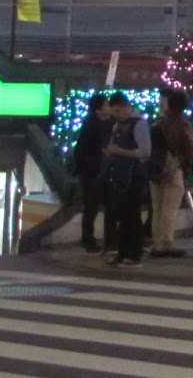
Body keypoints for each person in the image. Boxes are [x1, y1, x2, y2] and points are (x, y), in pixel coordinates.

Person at [101, 92, 150, 268]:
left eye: (117, 111)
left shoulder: (139, 124)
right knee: (122, 216)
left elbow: (145, 153)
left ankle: (134, 255)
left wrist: (118, 151)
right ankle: (123, 253)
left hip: (134, 177)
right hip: (119, 177)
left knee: (132, 216)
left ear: (126, 107)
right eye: (113, 112)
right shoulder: (117, 125)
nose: (116, 115)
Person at [148, 88, 193, 258]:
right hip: (174, 170)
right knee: (170, 209)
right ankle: (166, 243)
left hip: (155, 171)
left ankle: (157, 242)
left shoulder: (157, 124)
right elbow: (188, 151)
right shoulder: (185, 125)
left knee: (157, 208)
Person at [74, 92, 113, 254]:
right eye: (106, 105)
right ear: (99, 109)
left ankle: (92, 239)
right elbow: (92, 149)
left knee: (93, 206)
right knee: (92, 206)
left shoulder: (95, 123)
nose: (109, 107)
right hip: (93, 172)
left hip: (93, 171)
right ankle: (89, 240)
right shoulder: (94, 126)